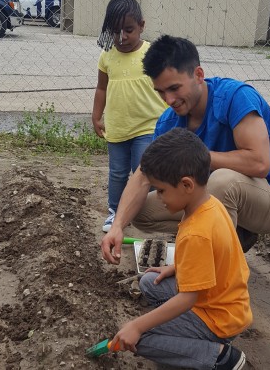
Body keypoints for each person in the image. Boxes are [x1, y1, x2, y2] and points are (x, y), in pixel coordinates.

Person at [101, 34, 270, 263]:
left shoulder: (235, 98)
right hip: (216, 196)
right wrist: (118, 225)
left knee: (221, 182)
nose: (169, 100)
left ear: (199, 75)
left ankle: (214, 274)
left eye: (174, 88)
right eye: (161, 92)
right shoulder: (169, 122)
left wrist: (198, 156)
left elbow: (259, 163)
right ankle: (215, 240)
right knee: (142, 211)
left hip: (269, 198)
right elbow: (144, 175)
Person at [109, 128, 251, 369]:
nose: (159, 197)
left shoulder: (197, 231)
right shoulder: (211, 205)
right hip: (229, 304)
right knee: (149, 282)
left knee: (139, 339)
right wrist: (177, 267)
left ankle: (220, 357)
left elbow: (188, 299)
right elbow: (215, 256)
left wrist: (138, 325)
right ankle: (184, 337)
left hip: (217, 320)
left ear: (186, 184)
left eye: (161, 190)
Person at [92, 0, 166, 232]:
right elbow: (101, 88)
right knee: (117, 173)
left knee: (145, 171)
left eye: (129, 30)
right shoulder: (107, 56)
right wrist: (96, 116)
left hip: (148, 127)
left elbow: (166, 87)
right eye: (115, 32)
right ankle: (115, 212)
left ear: (142, 26)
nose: (122, 37)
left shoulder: (152, 54)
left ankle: (149, 210)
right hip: (118, 127)